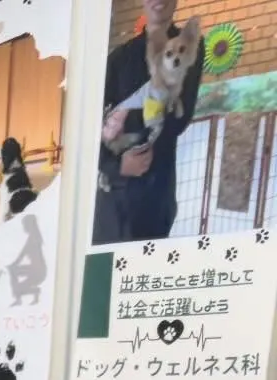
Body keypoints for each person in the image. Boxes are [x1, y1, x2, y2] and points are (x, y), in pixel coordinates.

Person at [93, 0, 204, 244]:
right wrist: (117, 167)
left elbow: (177, 119)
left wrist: (125, 120)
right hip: (113, 199)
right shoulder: (119, 59)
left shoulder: (188, 46)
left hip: (155, 197)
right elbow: (89, 129)